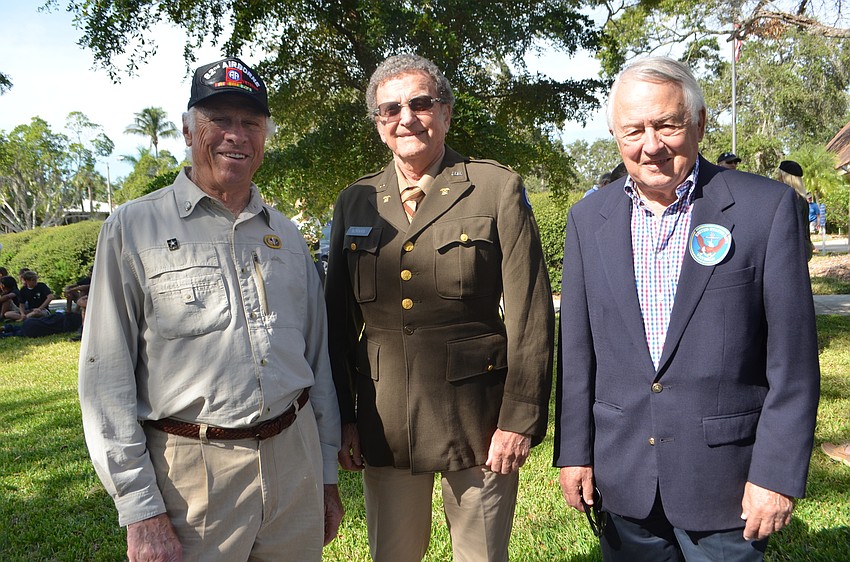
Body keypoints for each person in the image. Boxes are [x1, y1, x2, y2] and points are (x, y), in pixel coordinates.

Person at [555, 56, 820, 561]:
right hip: (624, 478)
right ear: (615, 135)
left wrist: (776, 473)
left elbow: (794, 362)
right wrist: (575, 454)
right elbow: (577, 353)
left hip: (727, 482)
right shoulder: (589, 218)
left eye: (667, 125)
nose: (650, 146)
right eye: (633, 130)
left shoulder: (764, 209)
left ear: (698, 122)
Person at [79, 57, 342, 561]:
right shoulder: (133, 229)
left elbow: (318, 363)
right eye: (219, 120)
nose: (235, 136)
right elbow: (105, 380)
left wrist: (325, 476)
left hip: (295, 462)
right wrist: (141, 510)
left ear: (264, 136)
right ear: (187, 129)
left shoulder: (287, 235)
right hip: (191, 478)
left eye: (250, 123)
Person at [325, 53, 554, 562]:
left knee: (480, 555)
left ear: (446, 113)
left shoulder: (494, 188)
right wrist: (343, 417)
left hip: (478, 417)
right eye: (391, 110)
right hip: (383, 417)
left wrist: (519, 418)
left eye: (421, 103)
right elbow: (337, 324)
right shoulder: (355, 201)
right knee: (393, 554)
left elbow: (530, 315)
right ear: (380, 125)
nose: (406, 118)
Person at [777, 160, 813, 260]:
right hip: (802, 248)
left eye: (779, 175)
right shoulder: (802, 200)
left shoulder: (787, 199)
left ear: (784, 177)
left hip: (790, 250)